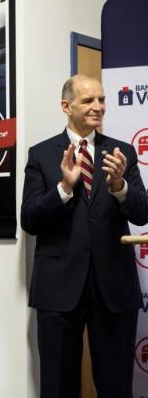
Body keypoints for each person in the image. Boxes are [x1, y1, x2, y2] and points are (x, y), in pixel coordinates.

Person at [21, 74, 148, 398]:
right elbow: (29, 220)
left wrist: (120, 186)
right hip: (59, 288)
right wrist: (63, 188)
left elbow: (142, 212)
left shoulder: (122, 153)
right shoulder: (42, 155)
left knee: (116, 385)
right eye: (89, 100)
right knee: (58, 386)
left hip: (114, 287)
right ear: (67, 106)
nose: (99, 107)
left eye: (102, 100)